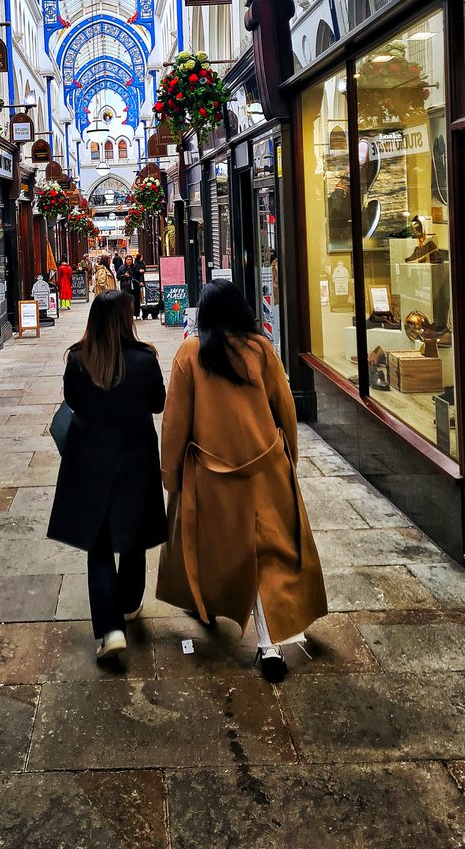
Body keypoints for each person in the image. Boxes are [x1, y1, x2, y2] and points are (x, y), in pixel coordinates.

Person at [156, 279, 327, 681]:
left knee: (214, 549)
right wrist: (289, 460)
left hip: (211, 476)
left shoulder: (190, 354)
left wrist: (171, 472)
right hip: (265, 469)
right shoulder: (262, 351)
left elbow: (174, 423)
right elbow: (285, 409)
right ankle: (269, 647)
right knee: (267, 558)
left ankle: (207, 604)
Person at [48, 291, 167, 660]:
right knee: (132, 534)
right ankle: (129, 603)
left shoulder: (79, 359)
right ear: (126, 319)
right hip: (135, 459)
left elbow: (73, 402)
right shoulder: (145, 359)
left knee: (98, 545)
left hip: (89, 462)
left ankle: (111, 629)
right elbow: (158, 403)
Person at [131, 253, 146, 319]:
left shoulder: (142, 263)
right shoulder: (135, 264)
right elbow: (134, 273)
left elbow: (144, 270)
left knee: (138, 298)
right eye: (141, 257)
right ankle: (134, 313)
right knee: (135, 298)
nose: (142, 258)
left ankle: (137, 313)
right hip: (136, 282)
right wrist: (139, 271)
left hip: (141, 281)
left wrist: (143, 271)